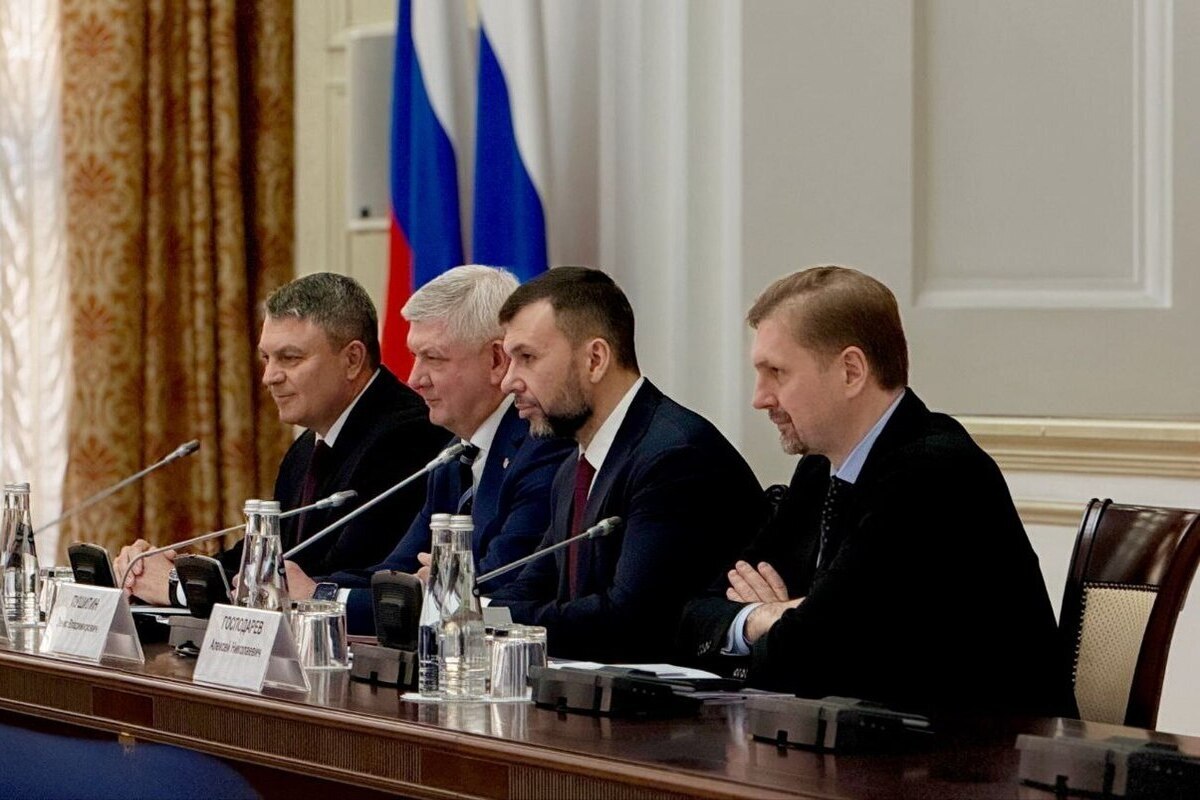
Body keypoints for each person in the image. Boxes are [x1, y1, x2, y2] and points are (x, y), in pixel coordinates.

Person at [677, 265, 1075, 717]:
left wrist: (784, 623)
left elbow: (814, 655)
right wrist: (768, 616)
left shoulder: (933, 473)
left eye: (777, 372)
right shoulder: (819, 470)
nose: (760, 398)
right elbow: (695, 618)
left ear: (851, 371)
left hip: (983, 750)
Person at [487, 267, 766, 663]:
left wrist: (490, 619)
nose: (508, 382)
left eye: (527, 358)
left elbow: (627, 623)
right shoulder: (574, 468)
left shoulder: (674, 457)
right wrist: (485, 615)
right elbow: (530, 587)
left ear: (595, 359)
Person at [116, 272, 447, 606]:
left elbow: (322, 576)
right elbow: (263, 556)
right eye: (266, 358)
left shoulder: (408, 437)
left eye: (290, 358)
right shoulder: (306, 448)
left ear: (352, 359)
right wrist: (164, 569)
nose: (269, 377)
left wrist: (177, 587)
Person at [283, 266, 574, 633]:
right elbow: (395, 573)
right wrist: (308, 589)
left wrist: (321, 597)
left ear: (496, 361)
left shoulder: (543, 448)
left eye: (433, 358)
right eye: (414, 356)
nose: (414, 379)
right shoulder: (453, 456)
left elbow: (489, 592)